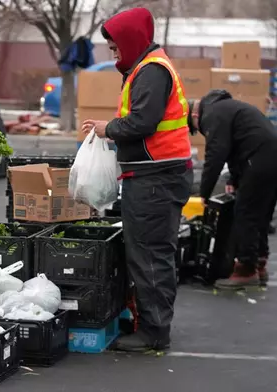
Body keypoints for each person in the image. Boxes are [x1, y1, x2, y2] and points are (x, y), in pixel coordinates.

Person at [80, 7, 193, 352]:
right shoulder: (148, 68)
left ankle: (154, 332)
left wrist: (108, 129)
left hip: (156, 178)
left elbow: (143, 121)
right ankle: (151, 323)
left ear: (130, 41)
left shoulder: (151, 71)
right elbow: (147, 124)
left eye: (115, 48)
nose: (114, 55)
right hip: (156, 173)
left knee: (149, 255)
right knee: (149, 253)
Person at [189, 90, 277, 289]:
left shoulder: (212, 114)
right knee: (260, 214)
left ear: (195, 115)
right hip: (269, 155)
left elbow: (216, 155)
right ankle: (258, 262)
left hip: (259, 158)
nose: (199, 131)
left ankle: (246, 269)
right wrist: (234, 178)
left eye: (195, 128)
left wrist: (204, 192)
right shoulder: (227, 109)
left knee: (245, 213)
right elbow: (238, 146)